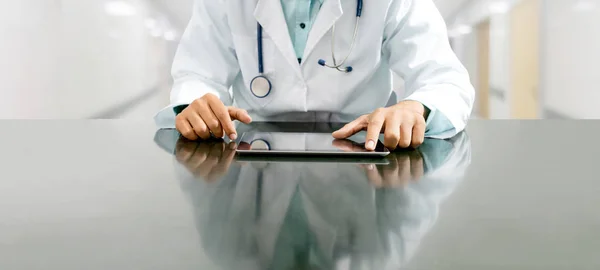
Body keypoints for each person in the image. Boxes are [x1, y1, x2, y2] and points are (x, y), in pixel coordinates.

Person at [154, 0, 475, 150]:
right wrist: (194, 104)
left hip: (365, 154)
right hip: (253, 157)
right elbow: (197, 73)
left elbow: (443, 78)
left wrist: (416, 107)